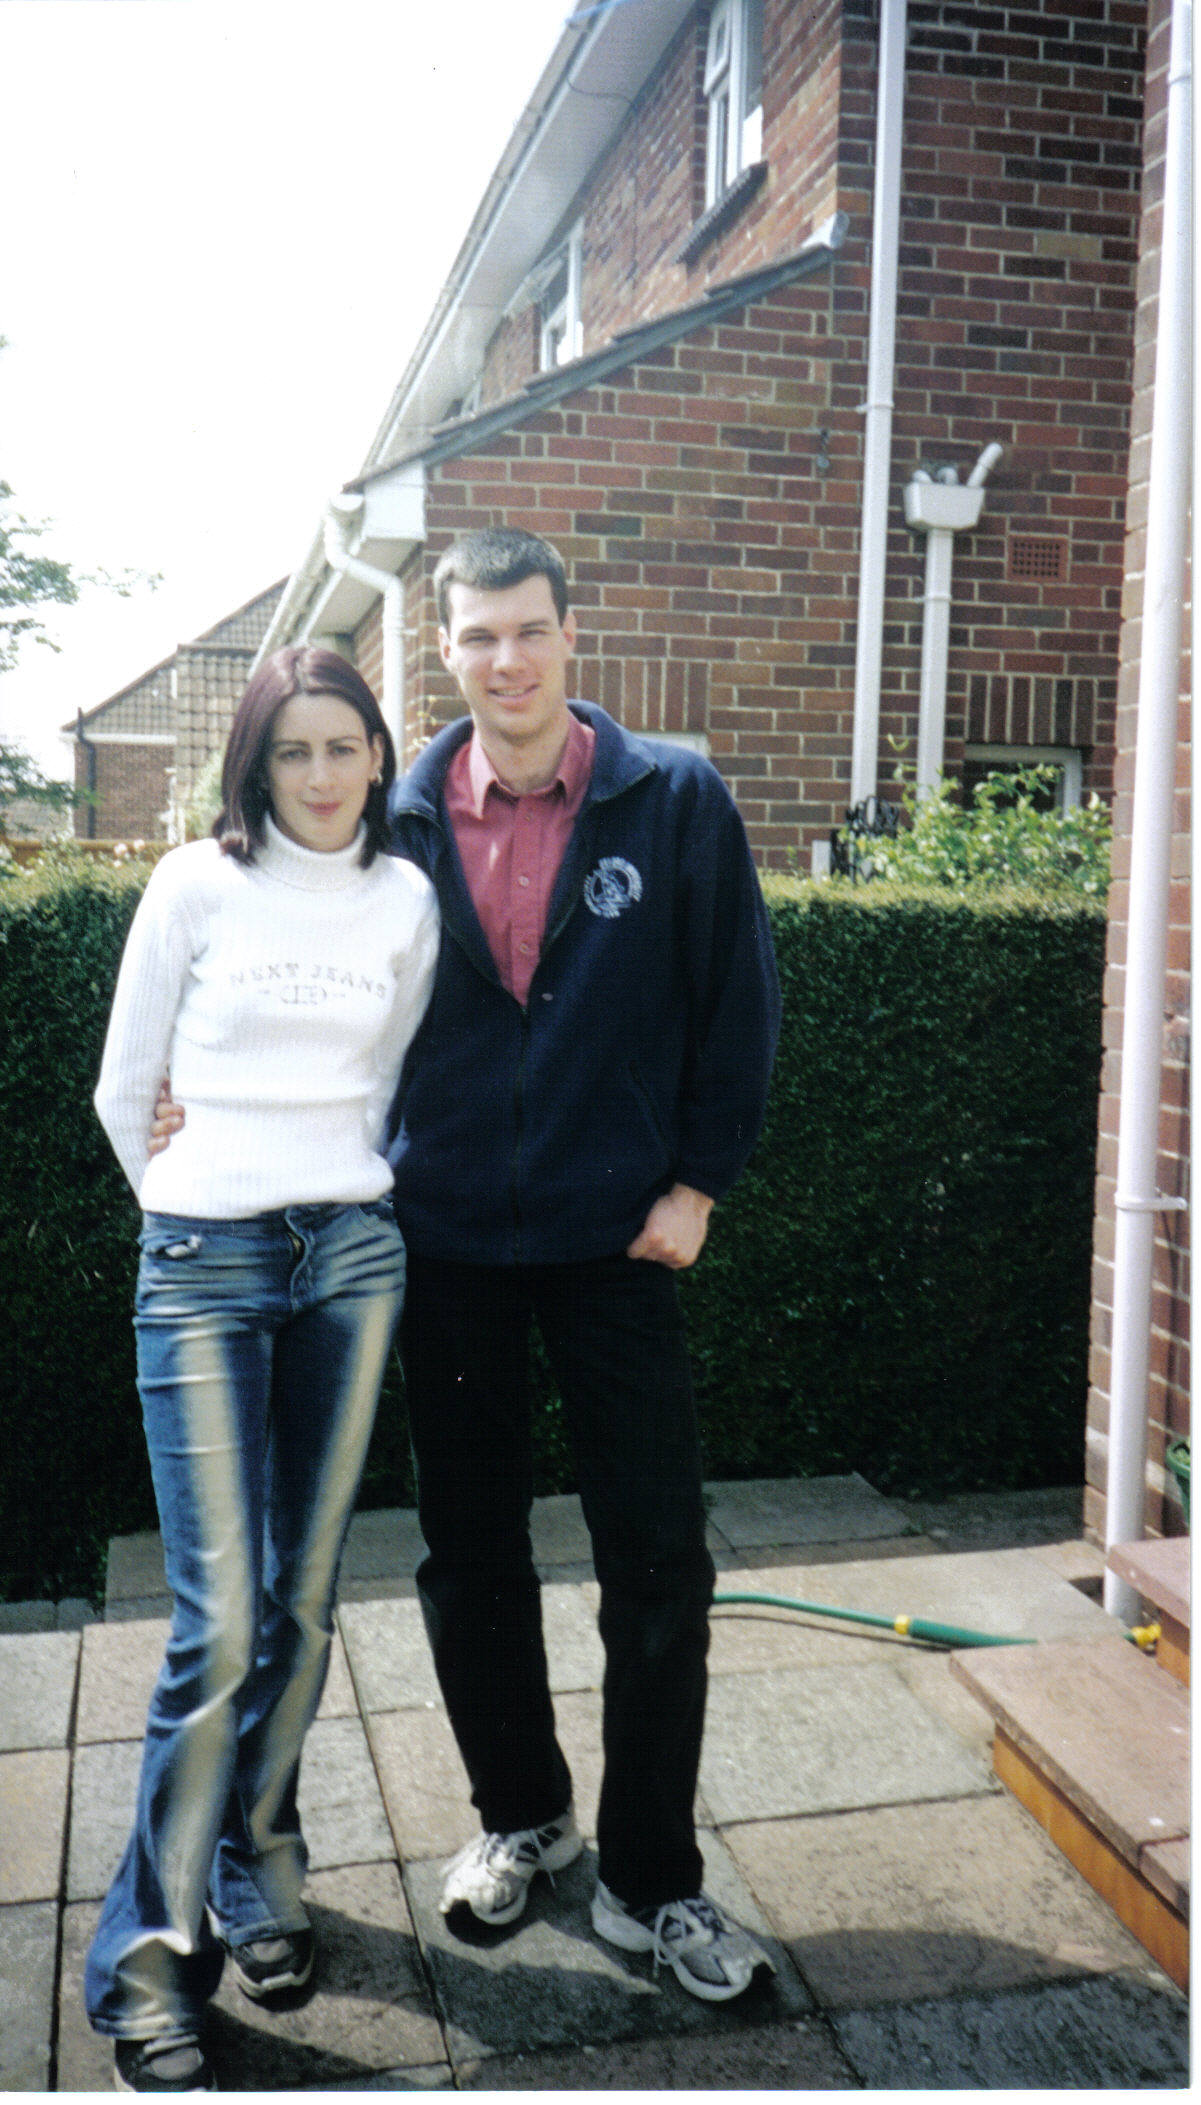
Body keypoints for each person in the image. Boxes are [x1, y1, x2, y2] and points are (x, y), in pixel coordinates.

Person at [387, 526, 781, 2000]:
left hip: (617, 1241)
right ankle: (523, 1816)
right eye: (479, 635)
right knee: (469, 1550)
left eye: (529, 629)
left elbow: (737, 998)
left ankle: (651, 1879)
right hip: (448, 1245)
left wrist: (698, 1182)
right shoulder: (397, 815)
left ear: (570, 633)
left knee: (658, 1556)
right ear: (445, 649)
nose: (507, 660)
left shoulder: (670, 797)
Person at [85, 646, 439, 2092]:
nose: (320, 774)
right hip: (205, 1266)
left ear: (378, 755)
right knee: (218, 1623)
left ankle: (257, 1868)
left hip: (351, 1259)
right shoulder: (193, 885)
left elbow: (384, 1083)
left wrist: (319, 1189)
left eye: (343, 745)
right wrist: (190, 1207)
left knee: (302, 1601)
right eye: (292, 749)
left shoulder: (405, 899)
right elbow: (125, 1086)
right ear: (255, 763)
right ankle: (146, 1965)